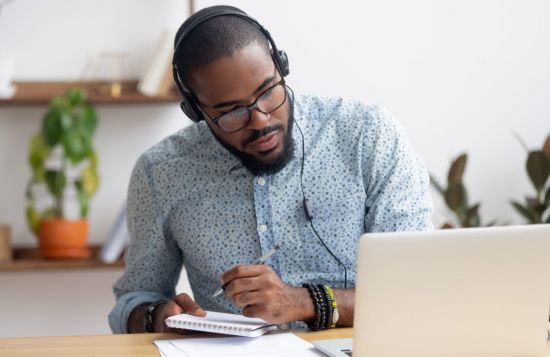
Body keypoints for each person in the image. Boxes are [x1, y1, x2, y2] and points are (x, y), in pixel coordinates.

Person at [109, 5, 432, 334]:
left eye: (267, 92)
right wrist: (157, 316)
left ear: (282, 66)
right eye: (230, 111)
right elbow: (133, 300)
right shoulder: (161, 172)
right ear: (195, 110)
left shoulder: (368, 135)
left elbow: (417, 290)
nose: (260, 120)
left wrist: (303, 302)